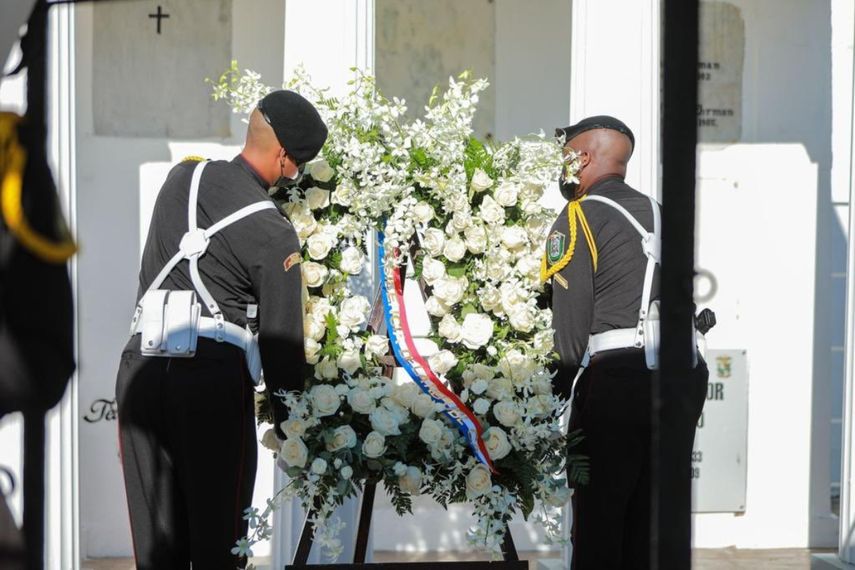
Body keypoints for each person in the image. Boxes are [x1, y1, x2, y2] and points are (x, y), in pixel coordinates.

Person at [115, 90, 327, 569]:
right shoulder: (274, 231)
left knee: (156, 552)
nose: (292, 176)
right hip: (209, 382)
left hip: (139, 370)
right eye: (296, 166)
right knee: (219, 547)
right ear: (283, 157)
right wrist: (292, 428)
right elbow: (281, 343)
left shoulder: (181, 178)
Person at [544, 116, 708, 569]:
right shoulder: (663, 212)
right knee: (650, 527)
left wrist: (541, 410)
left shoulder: (578, 216)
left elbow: (570, 336)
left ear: (583, 158)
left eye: (566, 155)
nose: (563, 165)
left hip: (618, 383)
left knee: (600, 527)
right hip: (680, 378)